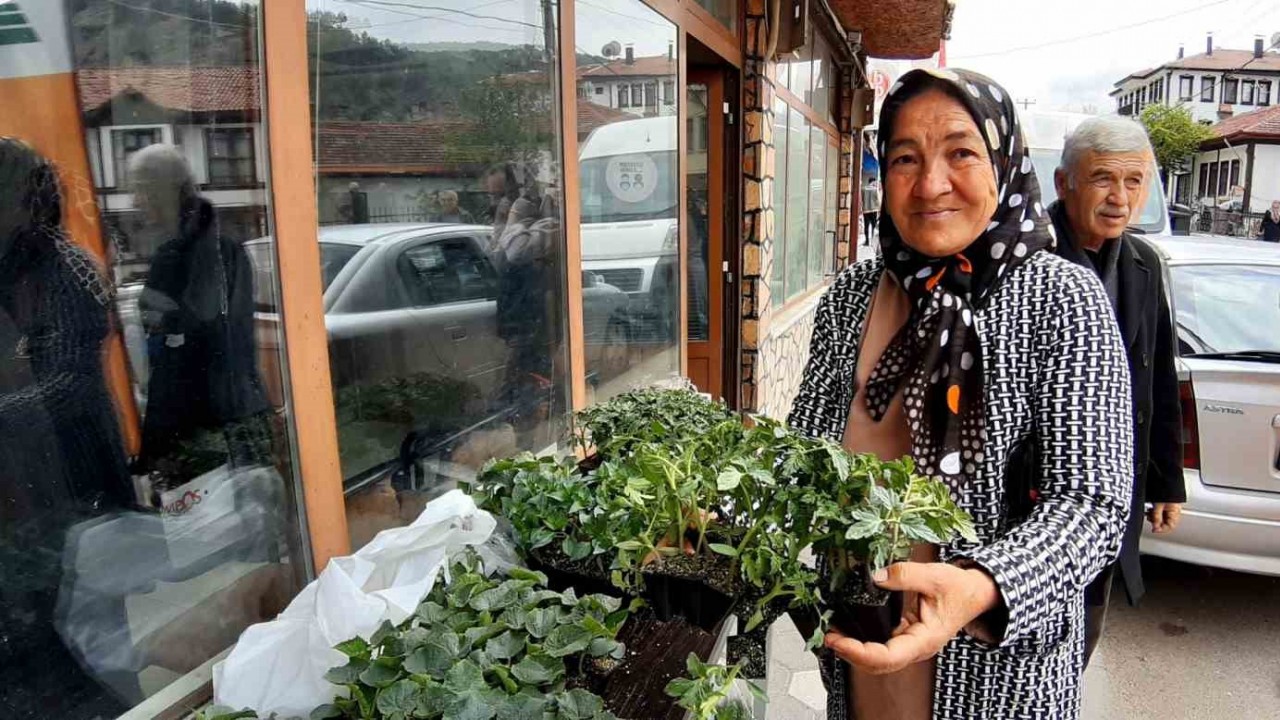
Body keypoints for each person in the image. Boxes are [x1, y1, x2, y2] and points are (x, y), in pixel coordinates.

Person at [789, 69, 1133, 720]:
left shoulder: (1061, 300)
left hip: (996, 675)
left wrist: (982, 585)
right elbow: (803, 450)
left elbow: (1092, 506)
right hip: (863, 652)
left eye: (961, 152)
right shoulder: (854, 297)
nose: (930, 184)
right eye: (904, 158)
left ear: (1003, 162)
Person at [0, 137, 133, 717]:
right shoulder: (15, 265)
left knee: (88, 629)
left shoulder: (65, 266)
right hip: (29, 473)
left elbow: (69, 385)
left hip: (72, 473)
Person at [1049, 116, 1185, 666]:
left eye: (1135, 182)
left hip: (1116, 488)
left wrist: (1166, 482)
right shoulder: (1027, 255)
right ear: (1065, 183)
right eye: (1104, 178)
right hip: (1041, 490)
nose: (1119, 198)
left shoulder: (1144, 263)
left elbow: (1159, 379)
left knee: (1085, 631)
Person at [130, 144, 271, 482]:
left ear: (163, 189)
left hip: (202, 436)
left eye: (140, 189)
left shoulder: (181, 257)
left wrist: (158, 449)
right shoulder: (224, 246)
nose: (136, 201)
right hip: (232, 421)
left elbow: (179, 363)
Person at [861, 178, 880, 245]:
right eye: (875, 182)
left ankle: (867, 241)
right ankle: (872, 241)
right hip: (874, 210)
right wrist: (879, 209)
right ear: (873, 182)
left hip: (865, 210)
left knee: (866, 226)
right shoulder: (875, 189)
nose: (876, 183)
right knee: (874, 226)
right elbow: (878, 200)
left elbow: (861, 200)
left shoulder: (863, 189)